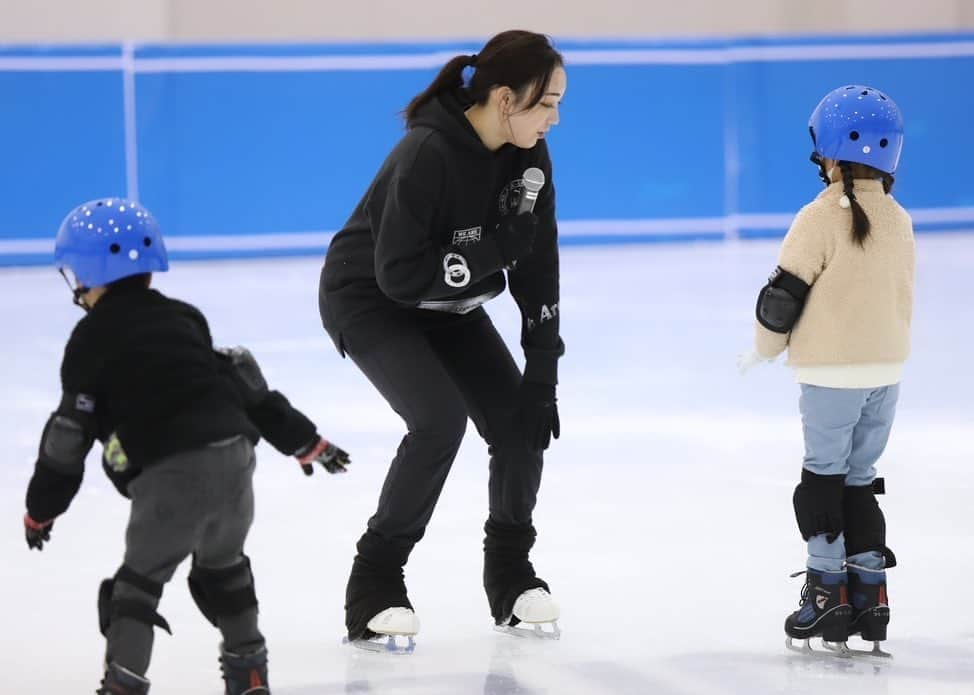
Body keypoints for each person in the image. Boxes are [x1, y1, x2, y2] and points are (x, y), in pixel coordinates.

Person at [22, 198, 348, 694]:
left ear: (87, 273)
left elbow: (68, 438)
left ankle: (123, 684)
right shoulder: (185, 318)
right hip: (236, 457)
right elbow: (244, 386)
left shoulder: (88, 338)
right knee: (225, 571)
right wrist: (307, 442)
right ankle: (250, 674)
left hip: (169, 472)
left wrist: (40, 510)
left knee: (137, 586)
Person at [318, 29, 566, 648]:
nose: (554, 119)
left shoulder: (528, 157)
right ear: (505, 98)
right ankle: (373, 584)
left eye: (560, 104)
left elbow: (538, 263)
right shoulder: (426, 152)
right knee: (437, 421)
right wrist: (492, 248)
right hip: (370, 298)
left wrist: (543, 370)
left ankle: (509, 576)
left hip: (448, 300)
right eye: (546, 103)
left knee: (518, 420)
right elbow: (400, 276)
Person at [737, 85, 914, 656]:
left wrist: (764, 349)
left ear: (830, 154)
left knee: (821, 482)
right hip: (886, 373)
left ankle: (825, 595)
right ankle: (870, 596)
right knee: (860, 480)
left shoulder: (817, 218)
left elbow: (781, 299)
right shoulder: (900, 219)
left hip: (831, 376)